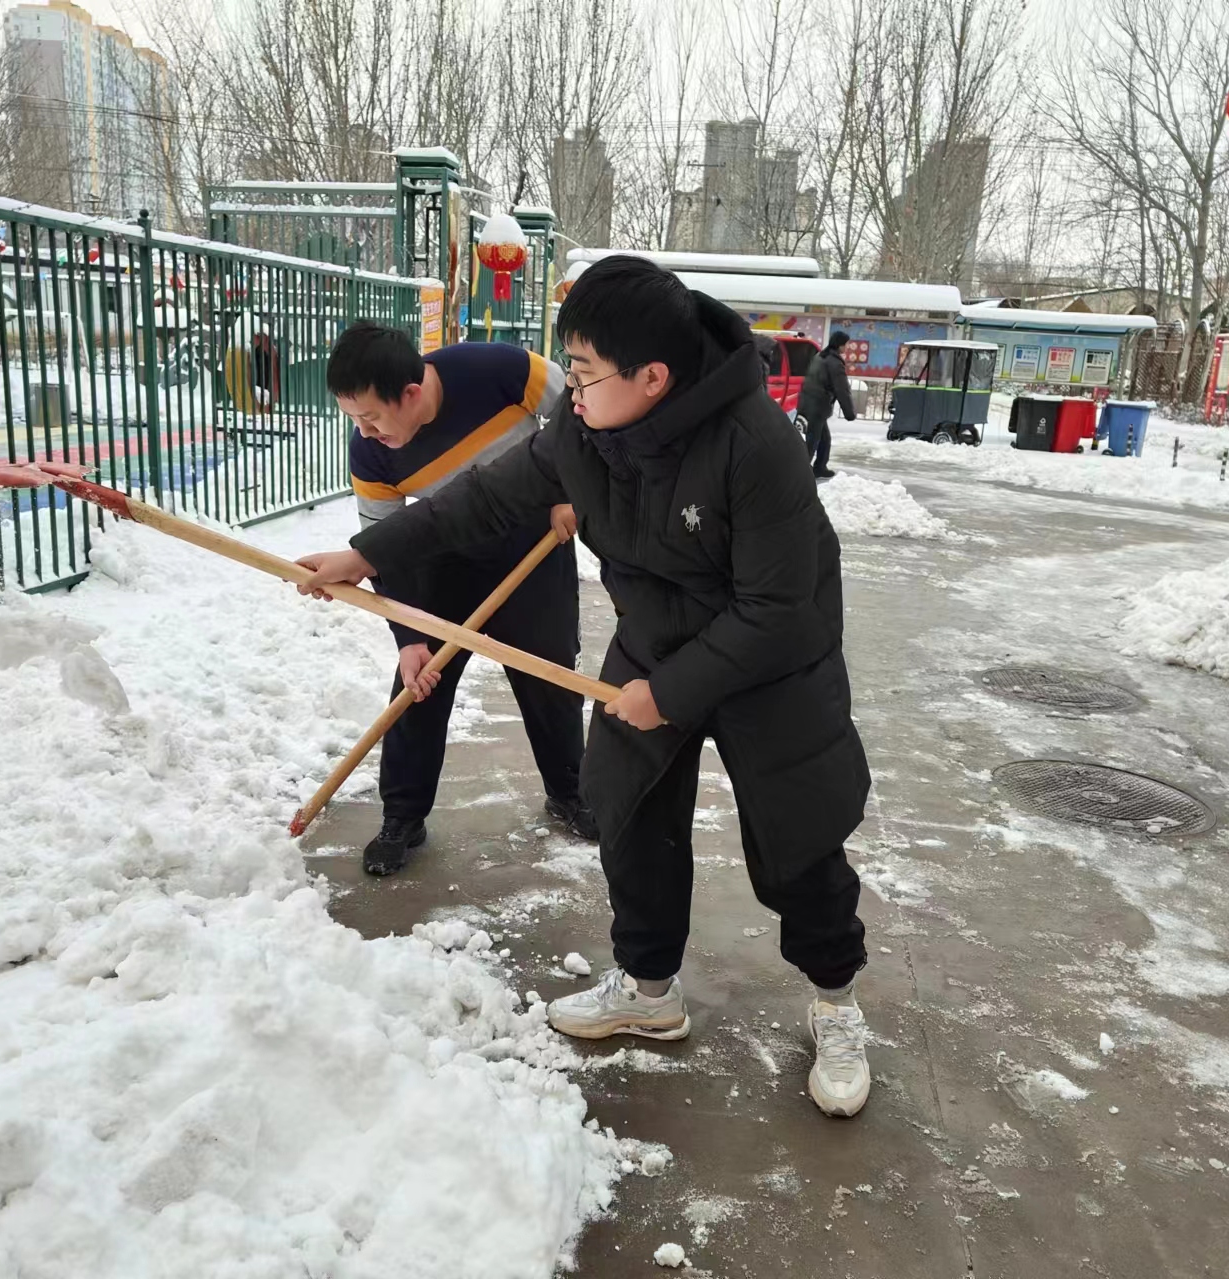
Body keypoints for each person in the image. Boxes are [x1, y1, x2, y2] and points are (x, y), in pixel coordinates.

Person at [298, 259, 874, 1118]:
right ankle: (649, 988)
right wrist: (366, 553)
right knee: (628, 812)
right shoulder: (583, 428)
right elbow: (482, 498)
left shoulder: (756, 445)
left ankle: (835, 999)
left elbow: (778, 609)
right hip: (656, 637)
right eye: (570, 365)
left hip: (774, 663)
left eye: (586, 369)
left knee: (797, 833)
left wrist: (669, 692)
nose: (571, 386)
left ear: (653, 377)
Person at [325, 321, 598, 876]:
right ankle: (403, 816)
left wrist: (571, 491)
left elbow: (581, 409)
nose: (364, 433)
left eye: (371, 418)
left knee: (550, 676)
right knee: (419, 686)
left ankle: (570, 793)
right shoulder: (372, 456)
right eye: (353, 419)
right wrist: (409, 638)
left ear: (411, 393)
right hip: (442, 561)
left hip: (533, 548)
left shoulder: (500, 369)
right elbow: (385, 548)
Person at [796, 330, 857, 480]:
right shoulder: (834, 363)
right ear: (840, 345)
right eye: (846, 344)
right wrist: (849, 413)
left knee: (824, 439)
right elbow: (842, 389)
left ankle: (820, 467)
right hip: (818, 405)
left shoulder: (820, 356)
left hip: (809, 402)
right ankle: (799, 472)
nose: (847, 347)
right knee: (813, 440)